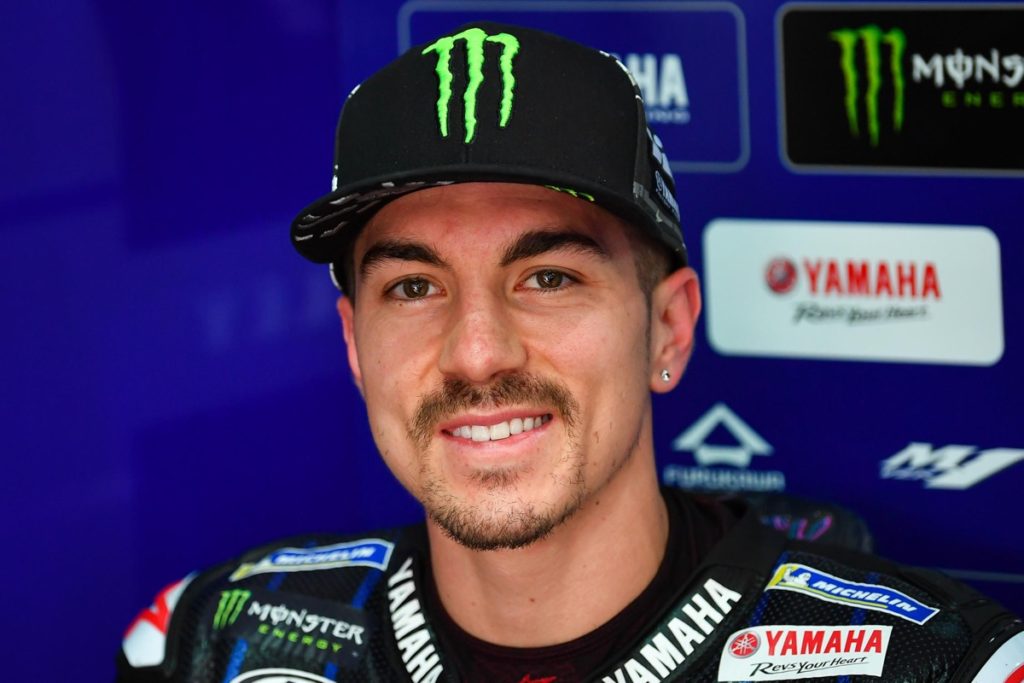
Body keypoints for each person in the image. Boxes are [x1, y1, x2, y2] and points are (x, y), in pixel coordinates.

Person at [117, 22, 1023, 683]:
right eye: (415, 286)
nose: (477, 352)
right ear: (356, 343)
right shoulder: (207, 642)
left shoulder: (942, 666)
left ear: (668, 328)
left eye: (548, 277)